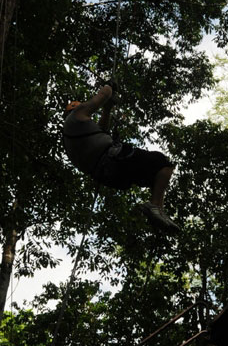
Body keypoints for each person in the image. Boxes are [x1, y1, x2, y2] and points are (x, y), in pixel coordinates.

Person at [62, 83, 179, 234]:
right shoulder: (76, 116)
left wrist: (107, 108)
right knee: (162, 163)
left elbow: (101, 130)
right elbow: (103, 95)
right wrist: (108, 88)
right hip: (114, 160)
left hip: (109, 174)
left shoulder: (71, 139)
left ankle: (158, 210)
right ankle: (156, 206)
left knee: (156, 178)